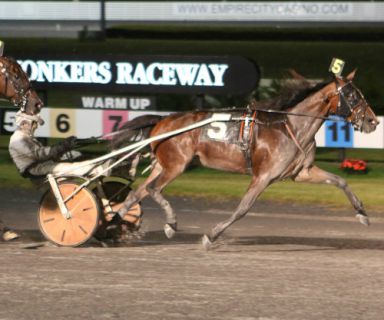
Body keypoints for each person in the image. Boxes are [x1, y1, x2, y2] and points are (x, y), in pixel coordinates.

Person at [9, 111, 108, 178]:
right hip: (33, 169)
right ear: (23, 124)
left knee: (76, 154)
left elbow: (42, 153)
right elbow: (39, 155)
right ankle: (99, 170)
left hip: (41, 163)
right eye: (34, 123)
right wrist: (62, 146)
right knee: (68, 167)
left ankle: (99, 162)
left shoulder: (25, 136)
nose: (36, 126)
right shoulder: (17, 139)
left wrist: (64, 147)